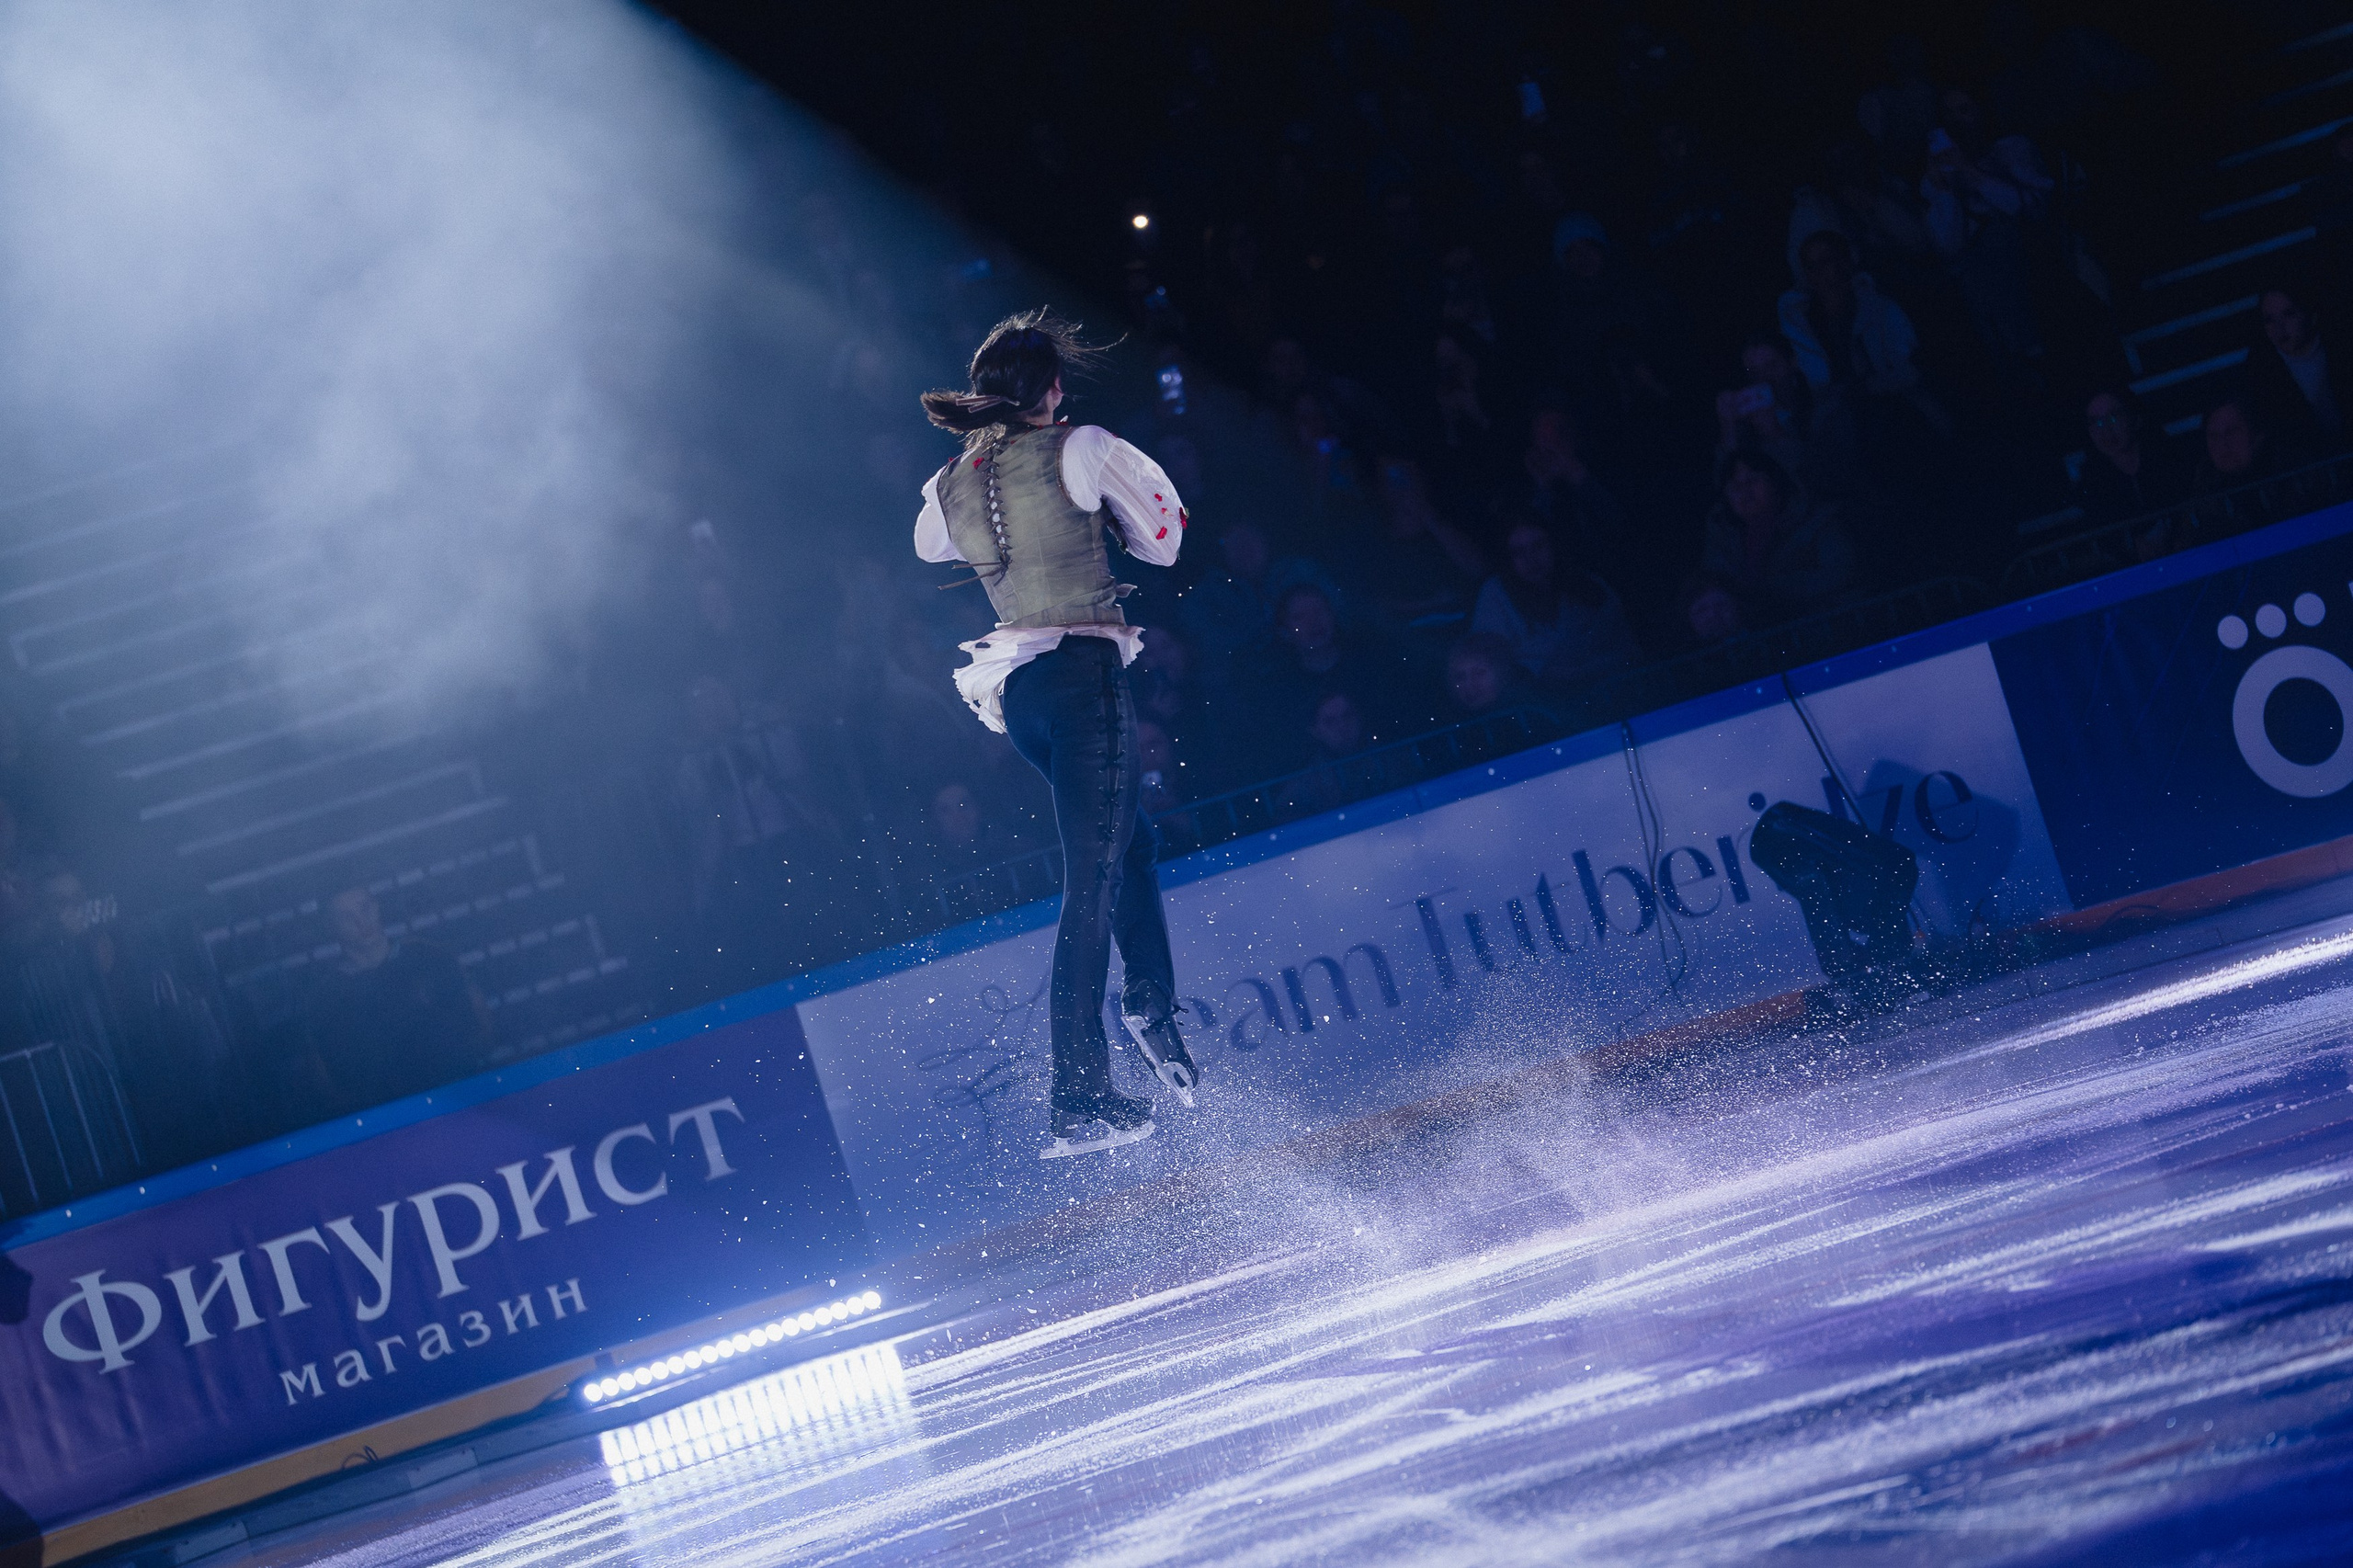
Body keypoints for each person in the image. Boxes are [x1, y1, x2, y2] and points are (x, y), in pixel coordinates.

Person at [915, 310, 1199, 1158]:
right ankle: (1078, 1092)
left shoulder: (952, 481)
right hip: (1081, 682)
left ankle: (1151, 1004)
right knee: (1094, 880)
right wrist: (1103, 512)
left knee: (1129, 850)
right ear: (1052, 391)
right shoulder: (1079, 446)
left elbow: (931, 546)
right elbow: (1167, 540)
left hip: (1026, 701)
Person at [301, 887, 494, 1119]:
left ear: (377, 906)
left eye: (365, 908)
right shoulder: (326, 996)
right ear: (331, 926)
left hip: (463, 1101)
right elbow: (328, 1079)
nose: (361, 921)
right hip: (387, 1123)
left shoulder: (429, 957)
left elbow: (479, 1022)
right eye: (347, 917)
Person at [1471, 518, 1642, 692]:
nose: (1531, 559)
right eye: (1518, 552)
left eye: (1538, 546)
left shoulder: (1589, 586)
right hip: (1535, 706)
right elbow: (1486, 664)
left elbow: (1628, 650)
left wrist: (1581, 674)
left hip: (1612, 691)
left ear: (1554, 544)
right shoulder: (1495, 594)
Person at [1699, 449, 1859, 625]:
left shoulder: (1816, 520)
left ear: (1775, 481)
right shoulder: (1722, 536)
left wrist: (1768, 591)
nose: (1744, 490)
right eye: (1734, 486)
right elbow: (1714, 583)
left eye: (1753, 479)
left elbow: (1842, 573)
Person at [2244, 282, 2353, 450]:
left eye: (2289, 314)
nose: (2279, 328)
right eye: (2269, 320)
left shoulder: (2341, 344)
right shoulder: (2262, 369)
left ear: (2308, 313)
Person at [2075, 388, 2191, 521]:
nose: (2106, 430)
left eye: (2114, 417)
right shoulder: (2091, 487)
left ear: (2135, 418)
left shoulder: (2174, 460)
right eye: (2096, 422)